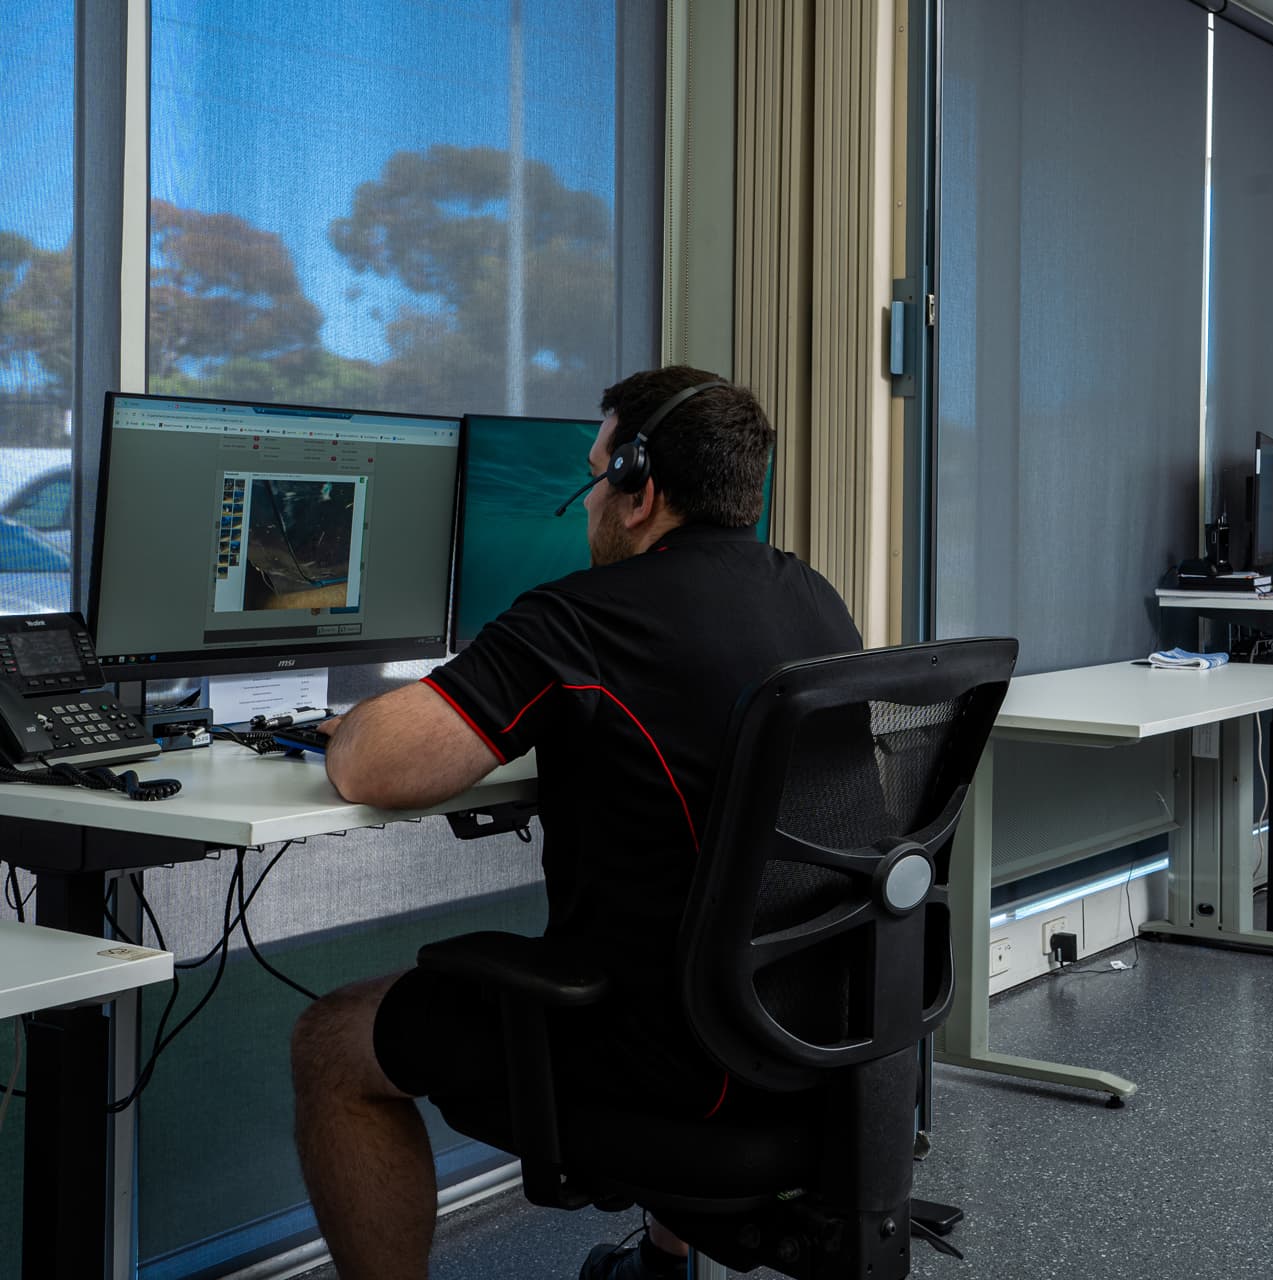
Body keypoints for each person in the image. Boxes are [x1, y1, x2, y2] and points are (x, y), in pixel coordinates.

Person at [288, 367, 862, 1280]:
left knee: (331, 1042)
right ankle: (664, 1265)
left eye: (597, 473)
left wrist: (354, 719)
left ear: (640, 489)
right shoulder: (812, 597)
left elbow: (368, 765)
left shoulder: (583, 620)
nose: (591, 498)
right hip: (812, 1032)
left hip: (667, 1057)